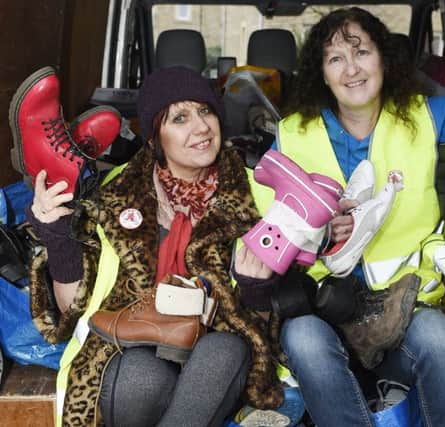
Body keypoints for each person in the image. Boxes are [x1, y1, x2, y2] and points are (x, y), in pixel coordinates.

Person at [238, 7, 445, 427]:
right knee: (301, 338)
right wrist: (319, 234)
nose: (352, 69)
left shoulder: (431, 116)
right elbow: (272, 230)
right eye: (336, 58)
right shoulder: (292, 133)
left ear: (384, 60)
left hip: (408, 307)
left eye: (362, 53)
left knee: (441, 340)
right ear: (322, 72)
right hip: (326, 312)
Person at [26, 66, 283, 426]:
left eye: (205, 111)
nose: (201, 127)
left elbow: (267, 324)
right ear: (153, 138)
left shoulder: (258, 195)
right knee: (141, 376)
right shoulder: (113, 194)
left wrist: (258, 288)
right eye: (180, 118)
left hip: (220, 350)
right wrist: (56, 235)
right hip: (130, 344)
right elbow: (73, 309)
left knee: (222, 350)